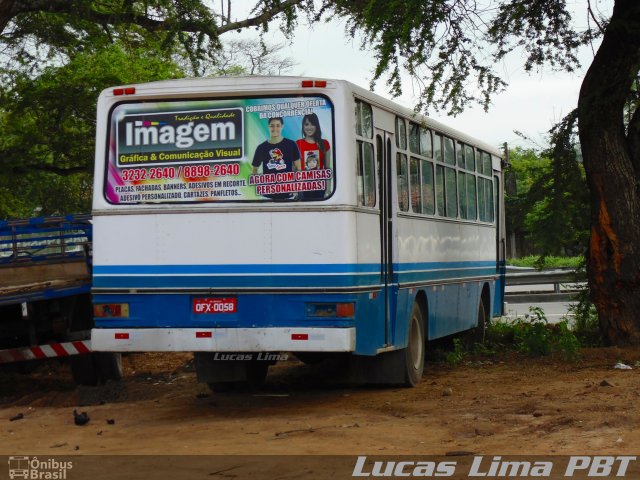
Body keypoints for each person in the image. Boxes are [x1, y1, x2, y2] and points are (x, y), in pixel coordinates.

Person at [251, 116, 301, 199]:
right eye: (272, 125)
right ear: (268, 127)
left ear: (282, 126)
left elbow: (298, 168)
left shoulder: (291, 144)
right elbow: (254, 169)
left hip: (288, 194)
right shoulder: (261, 147)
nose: (275, 128)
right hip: (267, 196)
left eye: (278, 125)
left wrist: (296, 187)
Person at [296, 113, 331, 199]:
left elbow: (327, 169)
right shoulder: (297, 144)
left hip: (320, 188)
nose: (309, 127)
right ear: (303, 126)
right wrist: (295, 191)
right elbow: (294, 170)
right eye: (306, 124)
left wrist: (328, 190)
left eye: (312, 124)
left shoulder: (324, 144)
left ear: (317, 126)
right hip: (302, 189)